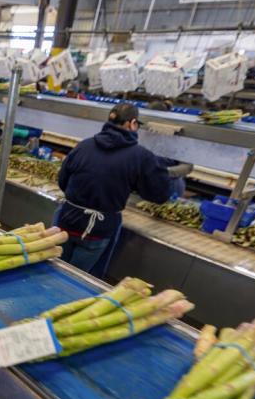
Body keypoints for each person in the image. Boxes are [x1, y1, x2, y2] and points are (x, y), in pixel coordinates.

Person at [55, 103, 190, 277]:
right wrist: (167, 174)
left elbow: (62, 181)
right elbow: (159, 194)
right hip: (98, 229)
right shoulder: (140, 156)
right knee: (78, 278)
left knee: (53, 267)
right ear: (132, 123)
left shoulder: (84, 145)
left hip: (66, 219)